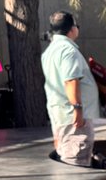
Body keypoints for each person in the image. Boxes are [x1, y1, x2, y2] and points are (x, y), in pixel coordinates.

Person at [41, 11, 100, 167]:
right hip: (72, 118)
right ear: (72, 29)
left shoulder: (50, 50)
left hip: (60, 114)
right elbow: (71, 80)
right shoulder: (68, 50)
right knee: (76, 161)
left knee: (66, 156)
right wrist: (77, 109)